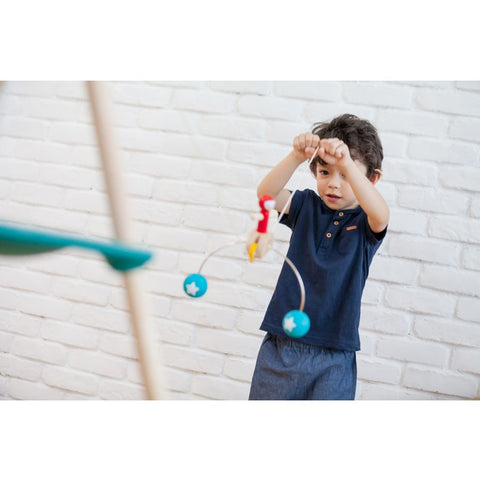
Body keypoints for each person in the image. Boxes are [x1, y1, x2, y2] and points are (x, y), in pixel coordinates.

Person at [248, 114, 389, 400]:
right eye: (325, 173)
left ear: (371, 178)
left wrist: (345, 161)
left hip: (334, 354)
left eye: (346, 176)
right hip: (283, 344)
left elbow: (381, 215)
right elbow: (266, 194)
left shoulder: (365, 222)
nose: (333, 185)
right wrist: (296, 156)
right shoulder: (305, 206)